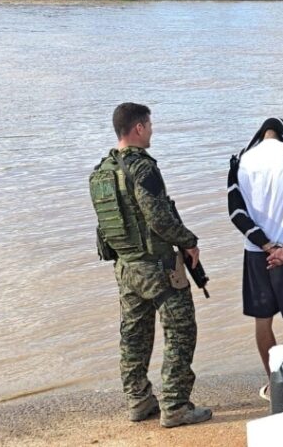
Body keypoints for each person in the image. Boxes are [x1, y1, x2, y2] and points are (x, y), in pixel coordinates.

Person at [89, 102, 212, 427]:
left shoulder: (101, 172)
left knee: (134, 336)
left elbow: (108, 226)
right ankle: (175, 406)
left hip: (125, 268)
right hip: (158, 267)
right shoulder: (142, 168)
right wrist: (188, 241)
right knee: (181, 331)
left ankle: (139, 401)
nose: (152, 131)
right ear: (139, 128)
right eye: (150, 125)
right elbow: (158, 217)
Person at [227, 118, 283, 401]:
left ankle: (275, 385)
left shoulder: (241, 160)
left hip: (257, 254)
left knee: (263, 321)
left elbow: (236, 212)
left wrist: (265, 245)